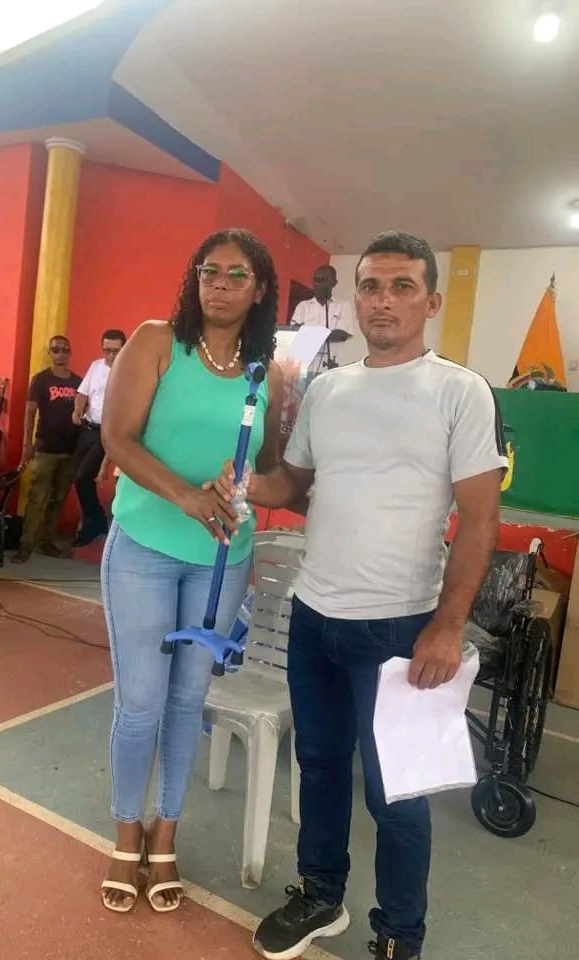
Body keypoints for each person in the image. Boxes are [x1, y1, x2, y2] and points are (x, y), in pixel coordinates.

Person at [213, 232, 507, 960]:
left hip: (402, 628)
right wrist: (246, 483)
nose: (383, 300)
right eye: (371, 285)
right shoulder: (329, 389)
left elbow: (480, 520)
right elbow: (296, 484)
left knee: (396, 794)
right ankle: (321, 896)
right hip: (315, 617)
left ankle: (399, 935)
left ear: (431, 302)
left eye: (402, 286)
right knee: (318, 765)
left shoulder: (460, 391)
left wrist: (448, 626)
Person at [99, 228, 283, 915]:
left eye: (237, 275)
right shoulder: (156, 342)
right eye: (210, 271)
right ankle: (127, 832)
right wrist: (185, 495)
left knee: (186, 702)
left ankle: (166, 832)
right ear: (195, 278)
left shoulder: (268, 374)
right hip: (145, 546)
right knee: (141, 702)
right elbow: (117, 438)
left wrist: (249, 488)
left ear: (259, 290)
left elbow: (276, 473)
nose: (221, 285)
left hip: (222, 560)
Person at [12, 335, 82, 563]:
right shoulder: (41, 379)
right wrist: (27, 443)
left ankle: (47, 541)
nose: (60, 354)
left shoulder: (78, 382)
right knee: (37, 498)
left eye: (65, 349)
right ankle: (26, 544)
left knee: (58, 499)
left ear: (70, 353)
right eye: (56, 350)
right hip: (45, 448)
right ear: (49, 353)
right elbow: (30, 412)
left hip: (70, 449)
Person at [72, 329, 127, 545]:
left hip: (108, 430)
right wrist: (77, 409)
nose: (111, 355)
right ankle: (94, 519)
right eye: (107, 351)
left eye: (115, 351)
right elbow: (82, 393)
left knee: (83, 476)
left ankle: (94, 521)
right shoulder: (96, 366)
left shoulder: (129, 370)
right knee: (77, 477)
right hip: (88, 427)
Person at [290, 264, 354, 372]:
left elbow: (342, 334)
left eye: (323, 280)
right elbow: (294, 332)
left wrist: (307, 331)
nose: (318, 284)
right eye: (316, 280)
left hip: (331, 366)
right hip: (304, 365)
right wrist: (328, 333)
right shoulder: (303, 306)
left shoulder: (343, 305)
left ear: (334, 283)